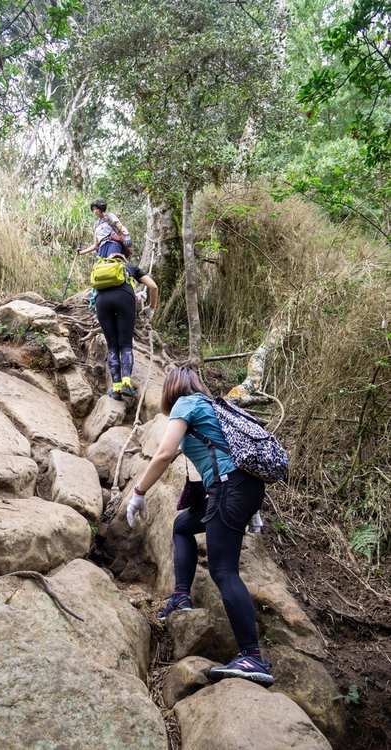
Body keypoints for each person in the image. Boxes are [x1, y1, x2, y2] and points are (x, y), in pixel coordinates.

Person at [126, 366, 274, 686]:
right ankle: (181, 595)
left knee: (223, 571)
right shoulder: (212, 407)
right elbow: (235, 455)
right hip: (242, 489)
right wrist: (251, 509)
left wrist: (138, 492)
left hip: (229, 490)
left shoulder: (185, 403)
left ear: (171, 389)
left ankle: (252, 656)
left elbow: (165, 453)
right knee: (183, 524)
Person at [94, 253, 158, 399]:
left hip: (101, 302)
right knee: (125, 345)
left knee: (112, 345)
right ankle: (126, 384)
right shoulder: (130, 267)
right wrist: (152, 307)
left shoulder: (100, 268)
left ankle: (116, 388)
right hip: (123, 300)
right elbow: (153, 287)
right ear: (124, 261)